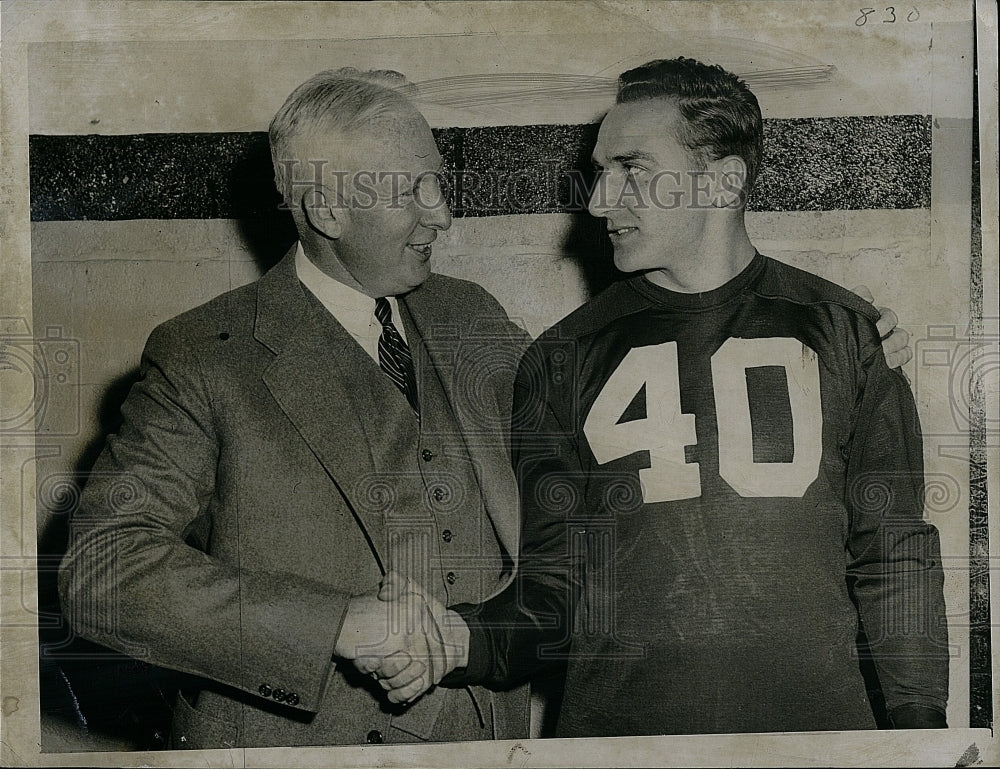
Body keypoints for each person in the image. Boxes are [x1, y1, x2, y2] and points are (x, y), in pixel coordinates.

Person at [370, 58, 949, 736]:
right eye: (601, 170)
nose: (599, 200)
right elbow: (552, 594)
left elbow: (895, 555)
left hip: (817, 737)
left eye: (632, 169)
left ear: (723, 180)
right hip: (620, 741)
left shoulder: (847, 330)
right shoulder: (561, 359)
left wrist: (919, 730)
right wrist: (453, 637)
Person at [58, 68, 531, 748]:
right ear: (328, 210)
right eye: (412, 190)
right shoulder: (202, 354)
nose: (443, 213)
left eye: (439, 179)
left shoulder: (472, 314)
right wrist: (339, 623)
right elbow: (103, 568)